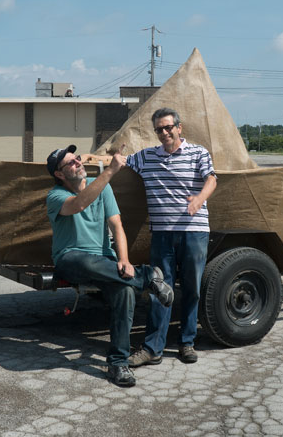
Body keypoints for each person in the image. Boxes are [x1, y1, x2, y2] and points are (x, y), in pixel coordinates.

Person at [45, 144, 174, 387]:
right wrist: (111, 171)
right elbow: (79, 204)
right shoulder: (55, 196)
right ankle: (148, 276)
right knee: (84, 260)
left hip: (103, 260)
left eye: (78, 158)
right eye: (70, 163)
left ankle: (117, 364)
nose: (78, 163)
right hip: (70, 258)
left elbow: (117, 226)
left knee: (125, 291)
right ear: (60, 175)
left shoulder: (103, 188)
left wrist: (124, 260)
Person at [126, 107, 217, 366]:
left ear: (179, 127)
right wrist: (94, 157)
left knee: (191, 288)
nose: (164, 132)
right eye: (159, 129)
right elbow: (121, 162)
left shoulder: (198, 152)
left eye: (168, 127)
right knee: (159, 289)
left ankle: (187, 343)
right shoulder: (147, 157)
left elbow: (211, 179)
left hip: (194, 232)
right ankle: (153, 348)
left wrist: (199, 199)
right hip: (162, 234)